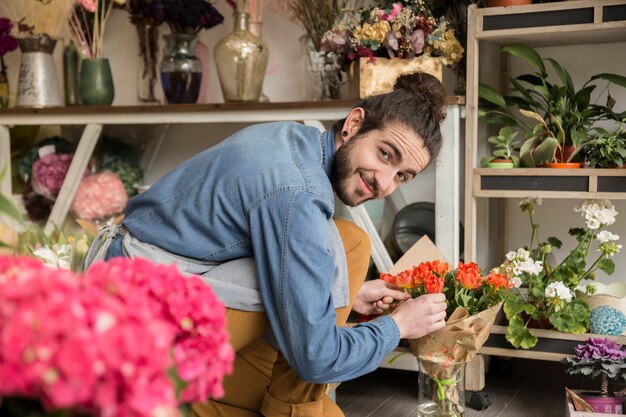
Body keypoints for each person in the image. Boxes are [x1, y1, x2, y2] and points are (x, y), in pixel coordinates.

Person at [82, 71, 449, 417]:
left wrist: (350, 297)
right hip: (133, 333)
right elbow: (316, 358)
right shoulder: (298, 194)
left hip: (146, 285)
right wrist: (397, 327)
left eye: (402, 175)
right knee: (347, 248)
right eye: (385, 154)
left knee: (346, 242)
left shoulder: (295, 141)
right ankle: (182, 400)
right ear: (354, 124)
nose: (385, 183)